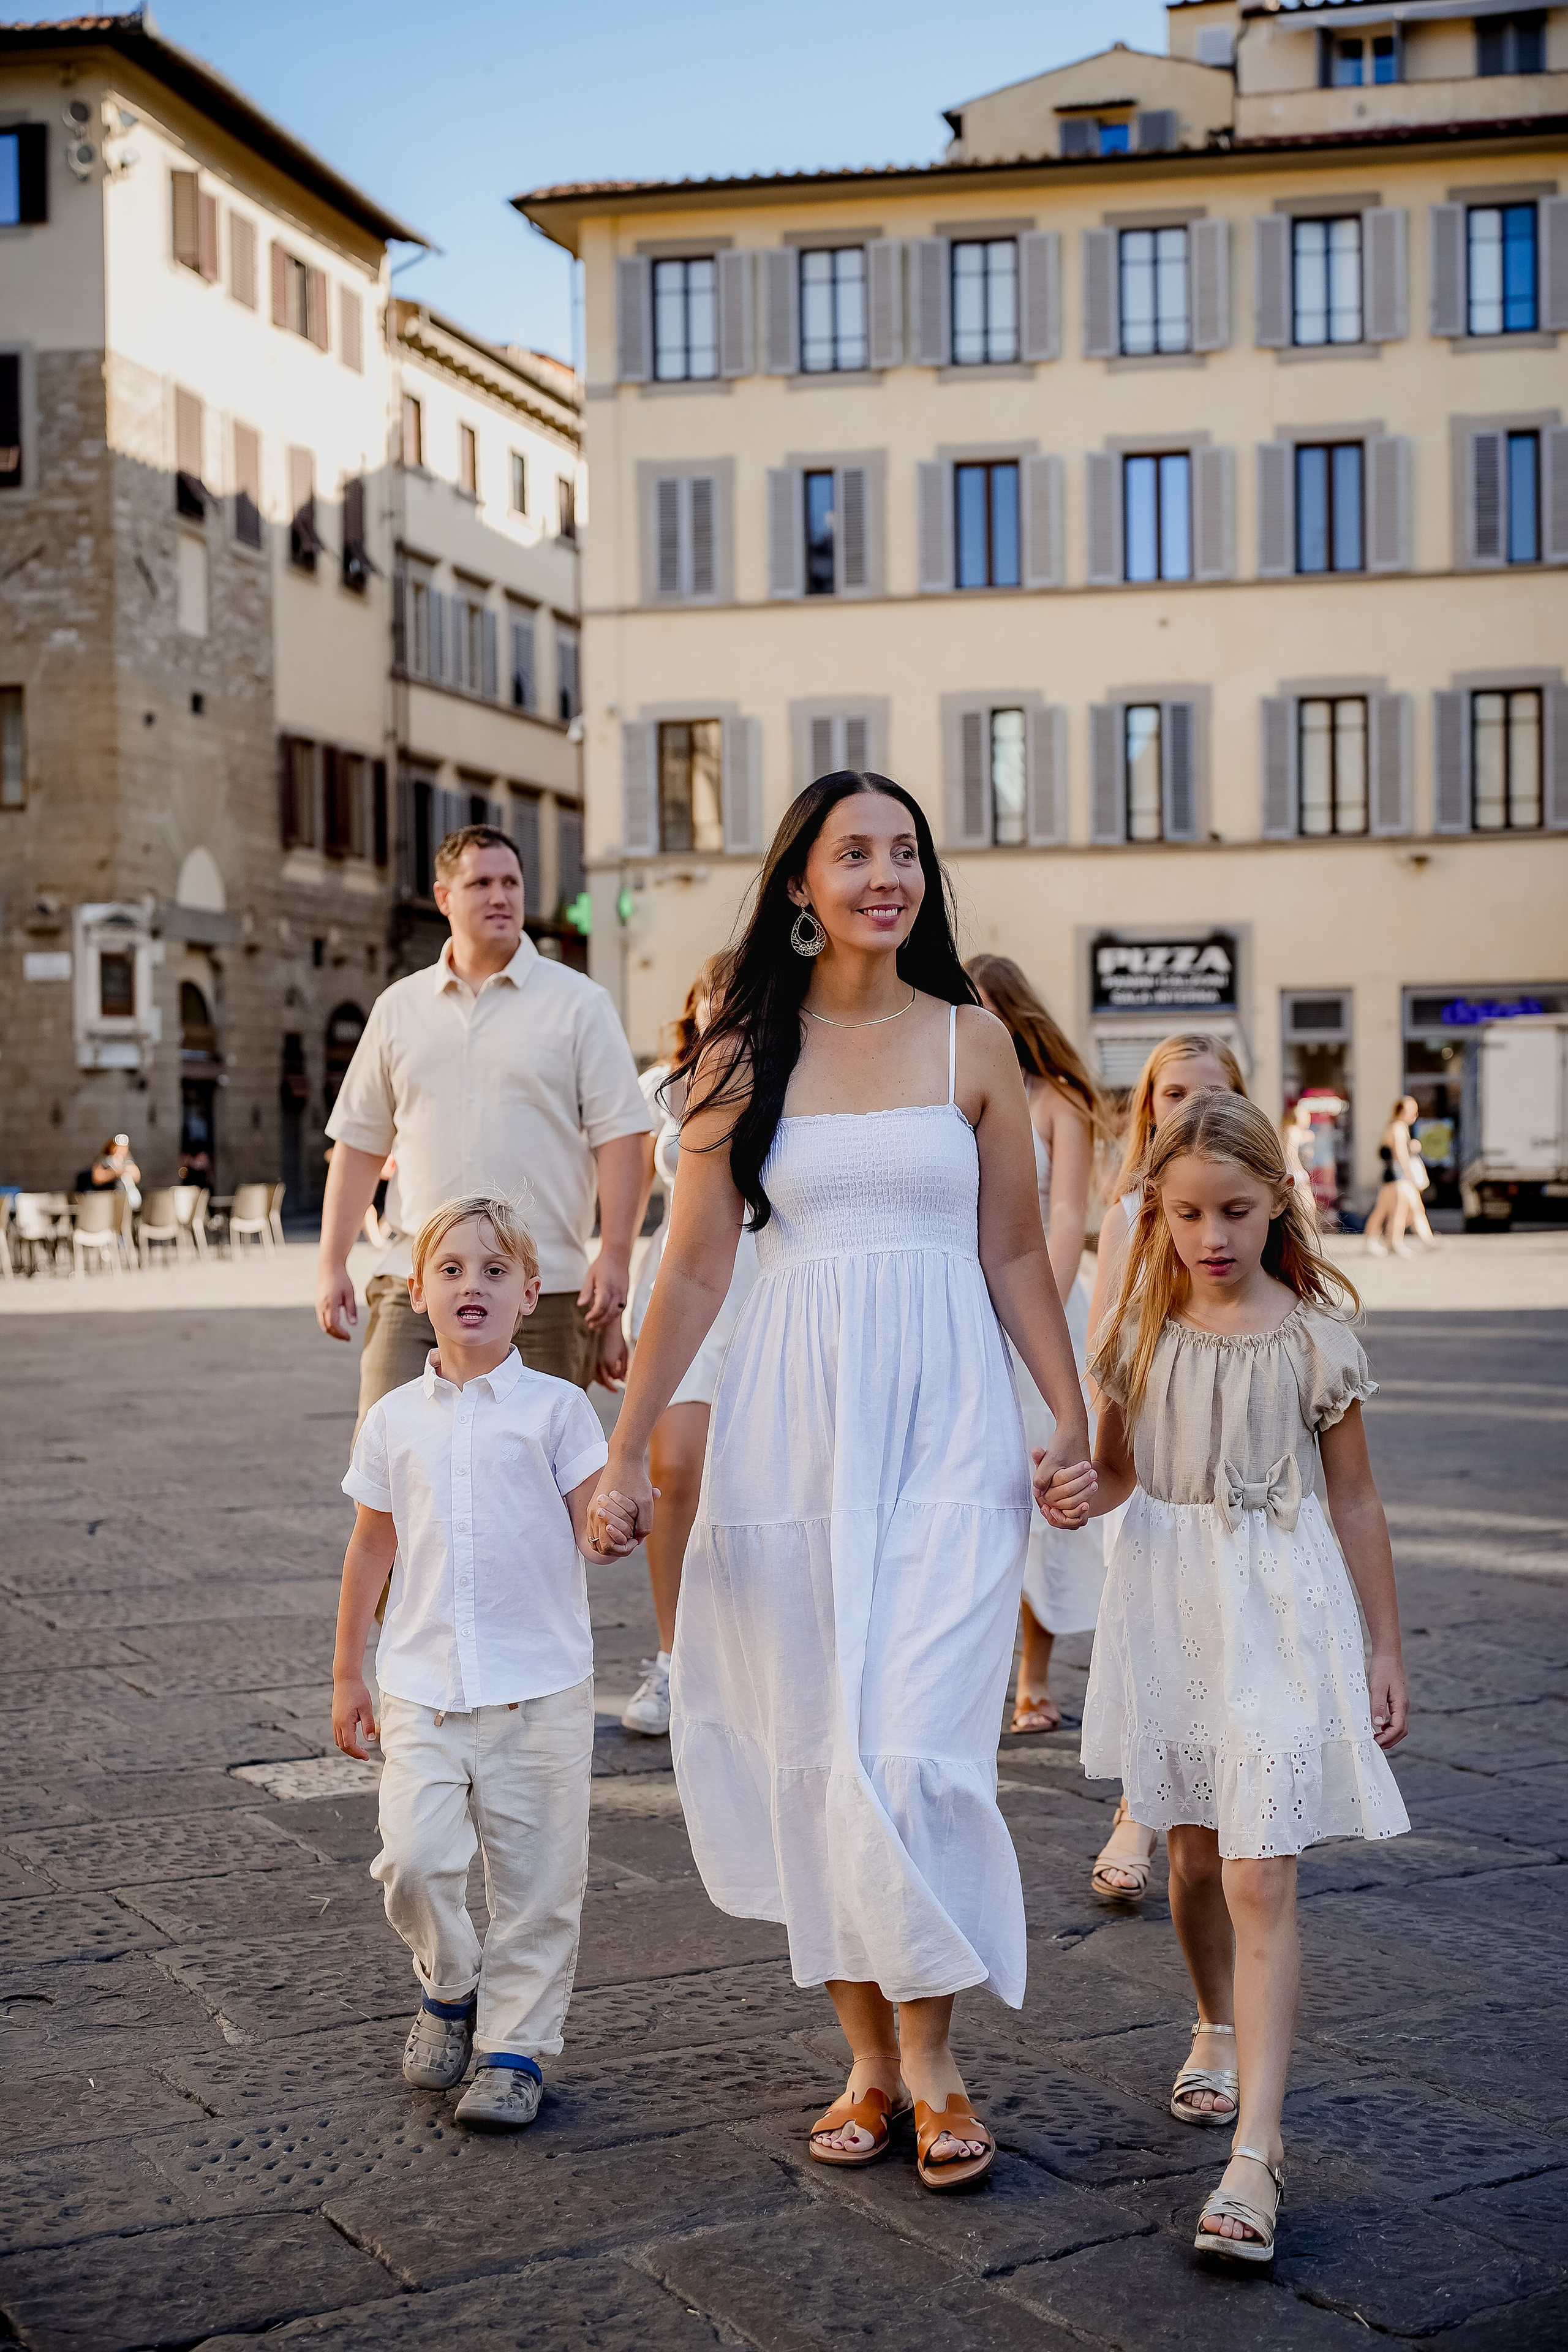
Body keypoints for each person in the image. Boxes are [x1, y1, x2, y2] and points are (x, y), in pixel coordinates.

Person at [586, 771, 1093, 2194]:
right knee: (813, 1743)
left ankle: (930, 2059)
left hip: (947, 1429)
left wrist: (1069, 1415)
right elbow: (690, 1267)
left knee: (919, 1743)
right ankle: (868, 2057)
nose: (887, 873)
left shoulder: (970, 1042)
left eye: (904, 851)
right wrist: (627, 1453)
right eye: (853, 851)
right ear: (797, 883)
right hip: (788, 1432)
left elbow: (1008, 1254)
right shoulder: (739, 1054)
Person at [1047, 1093, 1408, 2264]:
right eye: (1190, 1212)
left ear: (1276, 1205)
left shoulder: (1312, 1337)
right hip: (1171, 1601)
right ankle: (1212, 2021)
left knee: (1260, 1875)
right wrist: (1070, 1494)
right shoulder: (1137, 1336)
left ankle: (1257, 2150)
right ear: (1156, 1213)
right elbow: (1110, 1474)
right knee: (1195, 1858)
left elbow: (1353, 1497)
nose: (1213, 1235)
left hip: (1283, 1608)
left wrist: (1384, 1645)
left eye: (1237, 1211)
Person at [331, 1194, 638, 2130]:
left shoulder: (559, 1411)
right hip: (421, 1685)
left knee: (541, 1880)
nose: (473, 1285)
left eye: (495, 1271)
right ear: (418, 1292)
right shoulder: (392, 1419)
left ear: (529, 1293)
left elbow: (596, 1517)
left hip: (539, 1688)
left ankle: (514, 2050)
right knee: (414, 1863)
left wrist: (616, 1521)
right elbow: (371, 1549)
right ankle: (451, 1980)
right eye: (453, 1270)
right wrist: (350, 1669)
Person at [316, 826, 652, 1426]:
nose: (500, 896)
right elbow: (360, 1142)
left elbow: (621, 1137)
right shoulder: (400, 1006)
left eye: (510, 883)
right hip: (414, 1280)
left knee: (535, 1488)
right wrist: (331, 1261)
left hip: (541, 1289)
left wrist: (617, 1255)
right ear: (444, 897)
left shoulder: (579, 1003)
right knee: (391, 1472)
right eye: (481, 883)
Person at [1082, 1033, 1247, 1906]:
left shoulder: (1260, 1208)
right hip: (1148, 1464)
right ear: (1148, 1107)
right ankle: (1137, 1814)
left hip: (1245, 1474)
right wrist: (1089, 1451)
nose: (1187, 1111)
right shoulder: (1131, 1214)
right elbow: (1105, 1338)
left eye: (1207, 1094)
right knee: (1154, 1645)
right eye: (1171, 1094)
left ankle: (1217, 1809)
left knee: (1224, 1643)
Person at [967, 954, 1109, 1735]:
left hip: (1044, 1302)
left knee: (1046, 1484)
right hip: (964, 1301)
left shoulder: (1059, 1101)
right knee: (980, 1486)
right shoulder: (943, 1085)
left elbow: (1065, 1216)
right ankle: (976, 1669)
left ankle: (1034, 1674)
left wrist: (1034, 1313)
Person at [620, 957, 759, 1737]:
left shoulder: (788, 1078)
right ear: (696, 1005)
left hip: (761, 1289)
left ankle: (746, 1660)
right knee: (674, 1468)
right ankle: (674, 1658)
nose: (729, 1010)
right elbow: (632, 1199)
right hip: (675, 1283)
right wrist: (609, 1307)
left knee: (749, 1481)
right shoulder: (660, 1088)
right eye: (718, 996)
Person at [1363, 1096, 1434, 1257]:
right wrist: (1410, 1175)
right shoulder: (1398, 1128)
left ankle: (1377, 1241)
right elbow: (1400, 1155)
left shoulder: (1395, 1127)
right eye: (1412, 1111)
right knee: (1399, 1209)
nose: (1415, 1115)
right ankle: (1393, 1242)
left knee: (1385, 1209)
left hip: (1394, 1176)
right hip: (1397, 1176)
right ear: (1402, 1111)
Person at [77, 1133, 141, 1205]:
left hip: (125, 1198)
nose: (120, 1150)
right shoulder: (105, 1160)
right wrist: (113, 1173)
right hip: (108, 1197)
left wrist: (126, 1169)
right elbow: (97, 1178)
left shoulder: (128, 1161)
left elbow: (137, 1176)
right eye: (118, 1147)